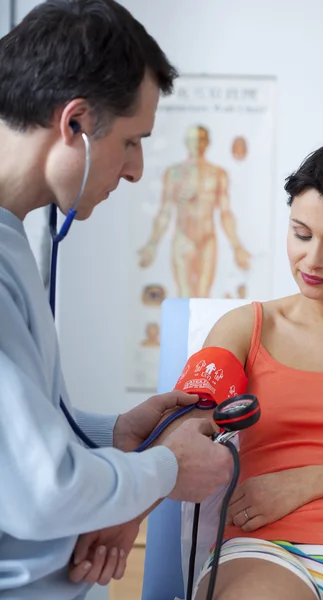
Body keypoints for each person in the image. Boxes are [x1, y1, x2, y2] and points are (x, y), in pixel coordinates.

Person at [0, 1, 233, 598]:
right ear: (74, 123)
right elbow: (41, 493)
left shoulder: (14, 239)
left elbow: (22, 436)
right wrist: (168, 469)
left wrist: (114, 432)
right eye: (132, 141)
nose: (136, 170)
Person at [162, 138, 323, 600]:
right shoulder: (245, 328)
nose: (312, 260)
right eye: (301, 233)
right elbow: (187, 430)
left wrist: (306, 482)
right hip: (261, 545)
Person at [138, 125, 251, 297]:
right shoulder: (174, 173)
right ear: (186, 142)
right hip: (183, 238)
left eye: (201, 139)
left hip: (207, 239)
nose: (197, 144)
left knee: (204, 294)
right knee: (184, 293)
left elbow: (225, 213)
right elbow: (165, 211)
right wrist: (152, 244)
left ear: (208, 142)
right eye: (192, 139)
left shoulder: (218, 174)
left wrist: (237, 246)